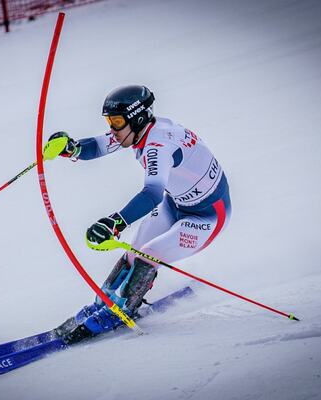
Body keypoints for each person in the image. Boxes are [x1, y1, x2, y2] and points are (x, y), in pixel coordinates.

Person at [48, 85, 232, 343]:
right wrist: (73, 148)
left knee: (149, 255)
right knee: (134, 252)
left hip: (206, 217)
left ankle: (122, 310)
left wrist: (116, 222)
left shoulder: (158, 145)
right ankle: (103, 302)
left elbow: (152, 193)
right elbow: (100, 145)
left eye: (117, 122)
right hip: (176, 204)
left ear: (138, 118)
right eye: (110, 122)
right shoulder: (138, 131)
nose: (113, 129)